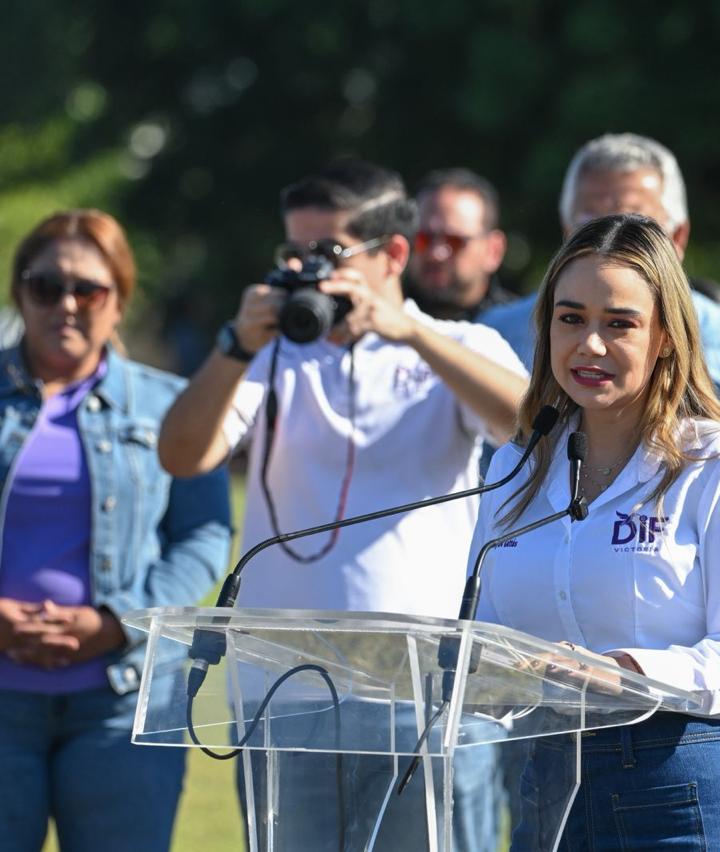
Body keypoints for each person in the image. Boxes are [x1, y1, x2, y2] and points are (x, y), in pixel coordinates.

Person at [156, 159, 527, 850]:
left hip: (419, 698)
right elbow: (182, 455)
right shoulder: (264, 356)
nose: (304, 270)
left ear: (392, 254)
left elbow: (531, 426)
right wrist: (236, 345)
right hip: (282, 690)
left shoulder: (459, 346)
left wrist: (412, 333)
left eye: (324, 253)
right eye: (291, 252)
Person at [478, 134, 720, 839]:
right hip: (544, 784)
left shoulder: (718, 464)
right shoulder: (514, 466)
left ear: (665, 337)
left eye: (619, 324)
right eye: (570, 319)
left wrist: (618, 672)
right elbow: (489, 638)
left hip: (675, 788)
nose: (589, 346)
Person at [0, 209, 231, 851]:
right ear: (20, 292)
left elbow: (205, 534)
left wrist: (116, 620)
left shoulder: (172, 406)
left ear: (118, 301)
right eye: (47, 287)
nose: (66, 305)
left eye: (88, 290)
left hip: (124, 699)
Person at [404, 167, 518, 321]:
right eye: (423, 238)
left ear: (494, 250)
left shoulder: (524, 330)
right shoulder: (379, 325)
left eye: (455, 241)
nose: (436, 254)